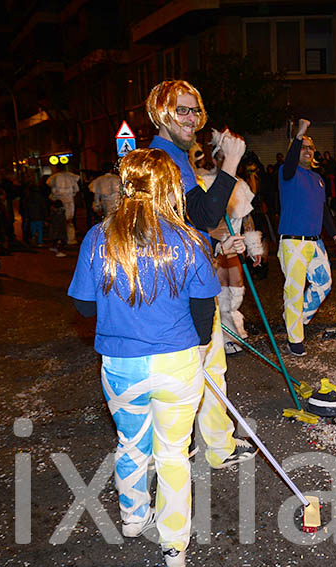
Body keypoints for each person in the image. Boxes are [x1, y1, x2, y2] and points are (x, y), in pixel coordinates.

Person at [68, 148, 239, 567]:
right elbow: (205, 308)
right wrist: (198, 350)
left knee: (130, 443)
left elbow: (83, 307)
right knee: (174, 454)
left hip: (121, 364)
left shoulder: (98, 237)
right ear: (171, 187)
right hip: (176, 362)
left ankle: (132, 517)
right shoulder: (188, 240)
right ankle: (174, 545)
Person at [144, 79, 256, 474]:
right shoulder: (166, 157)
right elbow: (206, 215)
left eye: (195, 110)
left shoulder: (172, 154)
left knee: (206, 366)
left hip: (183, 277)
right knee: (201, 366)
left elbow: (185, 223)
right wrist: (230, 163)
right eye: (181, 110)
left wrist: (217, 247)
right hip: (181, 287)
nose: (191, 118)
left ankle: (201, 444)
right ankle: (190, 447)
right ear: (160, 112)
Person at [277, 119, 336, 355]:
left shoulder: (317, 179)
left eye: (310, 148)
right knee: (294, 291)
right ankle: (294, 337)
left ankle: (296, 319)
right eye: (303, 147)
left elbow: (324, 210)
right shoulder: (287, 173)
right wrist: (300, 134)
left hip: (315, 242)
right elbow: (289, 162)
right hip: (293, 242)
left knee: (324, 283)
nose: (307, 151)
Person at [202, 129, 265, 354]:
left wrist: (253, 248)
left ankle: (234, 334)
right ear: (216, 157)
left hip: (234, 244)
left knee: (236, 291)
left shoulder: (241, 185)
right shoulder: (205, 181)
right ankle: (220, 338)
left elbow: (246, 219)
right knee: (218, 294)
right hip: (213, 246)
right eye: (222, 157)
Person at [46, 164, 81, 245]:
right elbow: (76, 189)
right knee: (70, 219)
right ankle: (71, 238)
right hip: (70, 200)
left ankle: (60, 238)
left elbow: (53, 191)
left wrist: (54, 198)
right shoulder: (71, 177)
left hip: (60, 201)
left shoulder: (54, 177)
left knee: (59, 220)